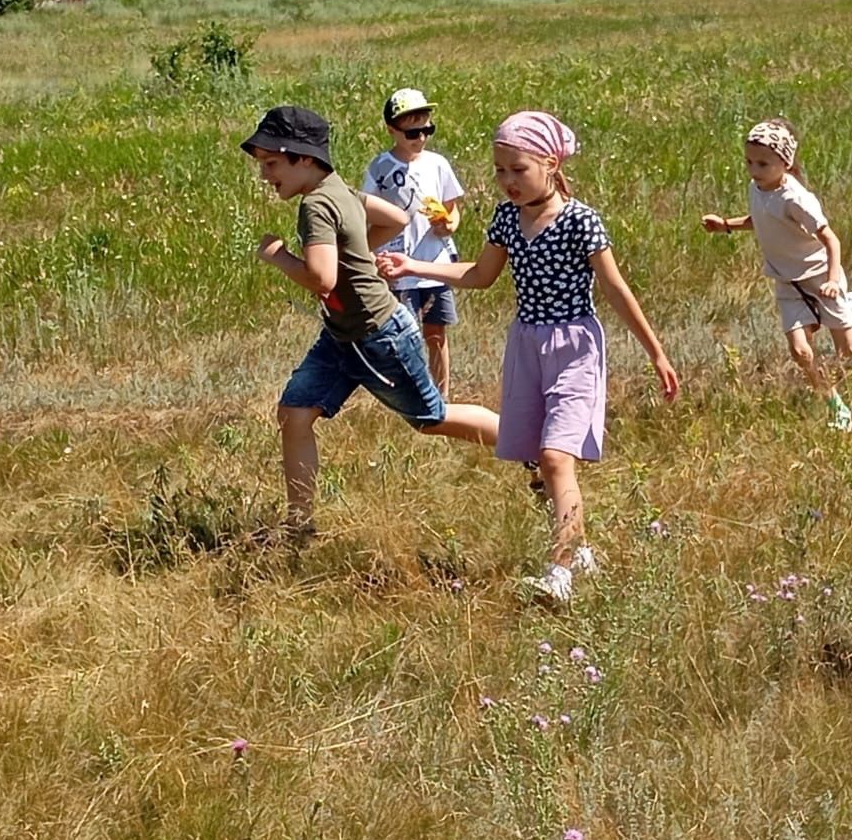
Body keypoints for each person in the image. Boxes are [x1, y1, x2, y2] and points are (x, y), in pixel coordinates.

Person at [378, 111, 678, 605]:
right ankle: (577, 546)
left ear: (551, 162)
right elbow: (479, 275)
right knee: (537, 460)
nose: (507, 181)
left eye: (518, 169)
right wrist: (413, 264)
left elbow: (616, 288)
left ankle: (558, 576)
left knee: (558, 457)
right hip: (526, 345)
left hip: (574, 346)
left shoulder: (581, 220)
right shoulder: (505, 219)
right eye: (499, 171)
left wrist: (657, 354)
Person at [244, 104, 498, 534]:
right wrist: (358, 251)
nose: (266, 174)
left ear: (303, 158)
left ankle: (529, 444)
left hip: (379, 336)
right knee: (294, 412)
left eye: (272, 163)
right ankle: (299, 524)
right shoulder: (339, 190)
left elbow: (322, 278)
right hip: (343, 336)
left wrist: (279, 256)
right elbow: (395, 217)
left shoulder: (317, 208)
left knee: (430, 418)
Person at [700, 118, 852, 433]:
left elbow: (831, 239)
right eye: (749, 162)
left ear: (785, 163)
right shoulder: (756, 189)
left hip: (819, 278)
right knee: (801, 352)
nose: (754, 170)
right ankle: (836, 407)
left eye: (762, 163)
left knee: (848, 351)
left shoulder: (796, 198)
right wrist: (726, 225)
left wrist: (830, 280)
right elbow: (762, 219)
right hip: (788, 282)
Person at [362, 87, 467, 396]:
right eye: (412, 132)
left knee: (436, 332)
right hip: (397, 263)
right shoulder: (380, 167)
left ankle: (442, 394)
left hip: (435, 263)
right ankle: (410, 393)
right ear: (392, 130)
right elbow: (367, 207)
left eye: (426, 130)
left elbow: (453, 207)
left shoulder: (437, 164)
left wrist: (449, 223)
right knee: (403, 332)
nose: (420, 138)